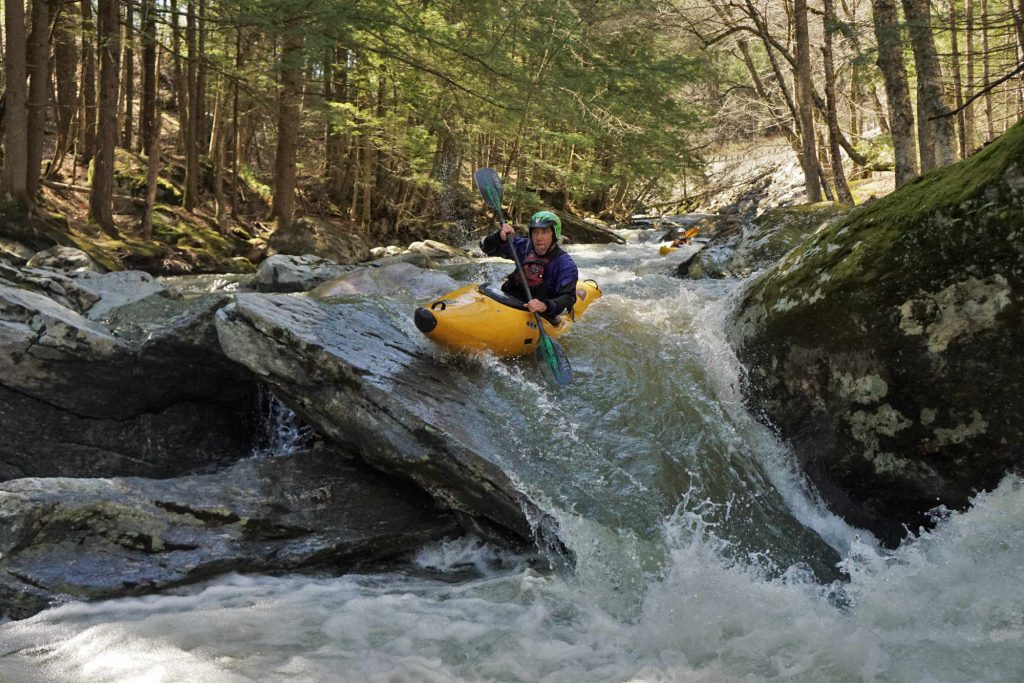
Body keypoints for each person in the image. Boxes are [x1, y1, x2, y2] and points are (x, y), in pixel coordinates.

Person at [480, 210, 579, 317]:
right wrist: (498, 238)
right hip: (510, 302)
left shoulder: (565, 264)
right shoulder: (524, 247)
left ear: (554, 234)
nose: (538, 237)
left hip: (539, 313)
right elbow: (487, 249)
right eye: (535, 232)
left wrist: (546, 305)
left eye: (544, 232)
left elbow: (569, 298)